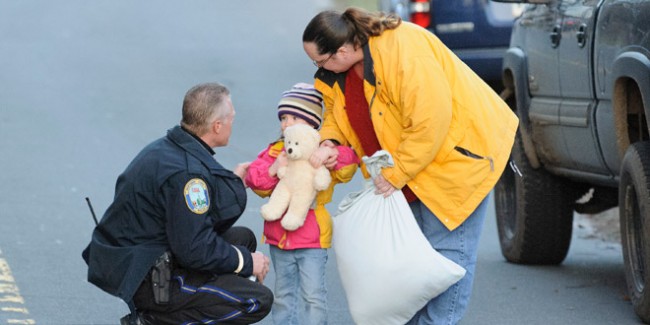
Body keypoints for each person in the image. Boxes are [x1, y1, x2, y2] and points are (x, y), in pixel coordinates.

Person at [302, 8, 519, 325]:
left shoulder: (404, 48)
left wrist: (396, 172)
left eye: (321, 61)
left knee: (448, 256)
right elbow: (336, 114)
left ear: (344, 49)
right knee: (412, 261)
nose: (318, 68)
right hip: (406, 170)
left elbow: (430, 121)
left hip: (456, 159)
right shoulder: (337, 72)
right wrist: (329, 142)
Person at [82, 82, 273, 325]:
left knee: (242, 238)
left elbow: (190, 215)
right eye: (231, 119)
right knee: (257, 300)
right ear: (217, 126)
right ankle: (153, 320)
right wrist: (246, 262)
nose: (232, 124)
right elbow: (195, 248)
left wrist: (234, 183)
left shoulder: (168, 148)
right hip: (153, 279)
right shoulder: (188, 176)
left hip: (140, 259)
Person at [244, 83, 358, 325]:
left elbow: (349, 164)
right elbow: (256, 179)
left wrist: (332, 153)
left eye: (295, 117)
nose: (287, 123)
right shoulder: (277, 151)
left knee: (313, 296)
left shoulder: (322, 152)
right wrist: (274, 169)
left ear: (313, 122)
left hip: (313, 238)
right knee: (284, 295)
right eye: (284, 117)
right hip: (279, 237)